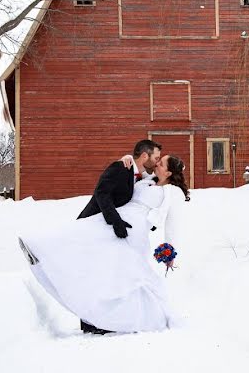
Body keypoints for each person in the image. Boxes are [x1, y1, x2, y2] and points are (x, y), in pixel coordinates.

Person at [19, 154, 190, 334]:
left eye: (161, 163)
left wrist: (169, 253)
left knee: (126, 276)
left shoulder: (173, 192)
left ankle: (127, 319)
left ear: (169, 172)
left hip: (133, 231)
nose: (156, 163)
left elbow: (173, 224)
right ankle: (39, 248)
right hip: (116, 219)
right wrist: (127, 157)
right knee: (83, 234)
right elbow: (133, 170)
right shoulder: (148, 181)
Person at [76, 139, 162, 238]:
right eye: (156, 158)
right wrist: (115, 220)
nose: (157, 163)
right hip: (90, 224)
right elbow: (102, 193)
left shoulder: (141, 177)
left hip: (106, 233)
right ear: (144, 156)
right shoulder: (119, 167)